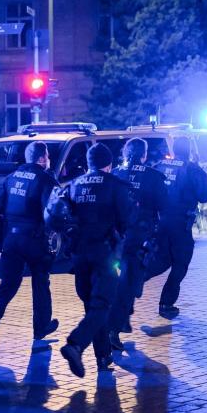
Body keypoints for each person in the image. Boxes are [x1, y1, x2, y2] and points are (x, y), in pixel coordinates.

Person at [53, 143, 131, 378]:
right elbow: (128, 221)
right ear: (109, 165)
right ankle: (75, 344)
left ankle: (103, 356)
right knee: (102, 305)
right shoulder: (115, 185)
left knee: (92, 306)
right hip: (104, 254)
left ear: (89, 164)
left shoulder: (73, 185)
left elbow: (57, 216)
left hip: (79, 255)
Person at [0, 141, 59, 348]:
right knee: (41, 282)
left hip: (10, 240)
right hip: (35, 239)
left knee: (8, 284)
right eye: (47, 156)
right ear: (42, 158)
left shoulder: (11, 177)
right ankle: (41, 327)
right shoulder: (45, 179)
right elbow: (52, 212)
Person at [133, 137, 207, 326]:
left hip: (159, 223)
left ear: (174, 150)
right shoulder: (192, 169)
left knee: (162, 260)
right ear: (190, 150)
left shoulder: (159, 165)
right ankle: (166, 303)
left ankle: (134, 281)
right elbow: (205, 195)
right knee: (181, 263)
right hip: (180, 225)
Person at [107, 138, 168, 352]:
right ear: (144, 155)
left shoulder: (114, 174)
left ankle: (122, 318)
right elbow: (164, 206)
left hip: (114, 238)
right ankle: (113, 330)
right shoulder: (153, 177)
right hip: (139, 239)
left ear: (125, 153)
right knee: (128, 284)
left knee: (121, 281)